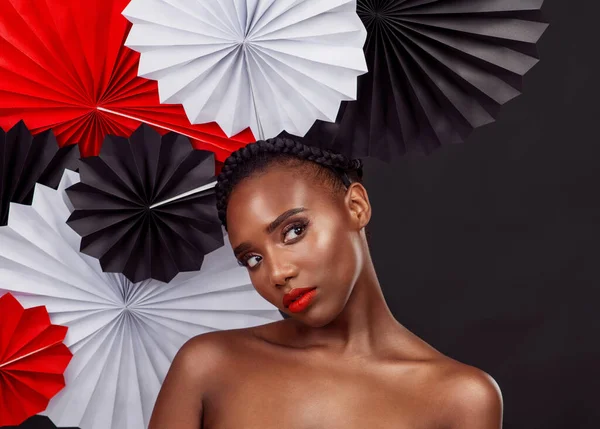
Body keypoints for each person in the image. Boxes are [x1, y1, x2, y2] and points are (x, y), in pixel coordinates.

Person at [148, 134, 503, 429]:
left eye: (293, 231)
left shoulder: (462, 397)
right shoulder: (208, 365)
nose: (277, 273)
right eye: (252, 259)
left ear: (356, 207)